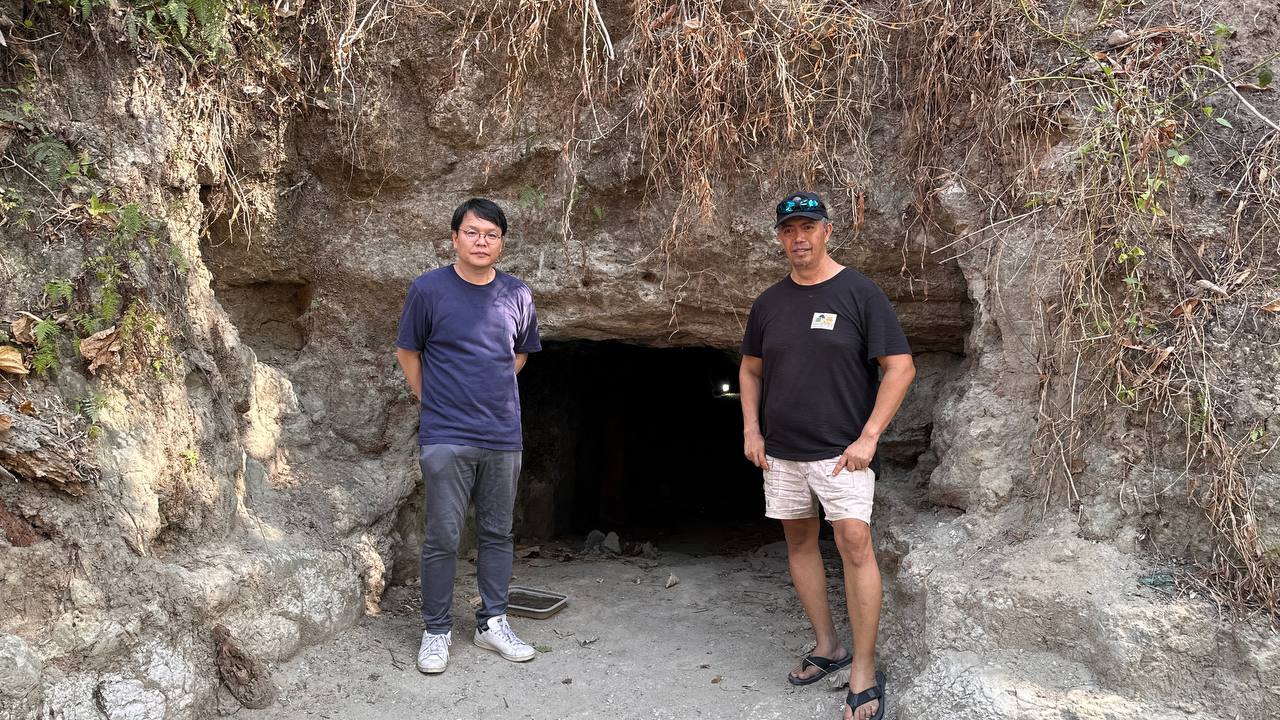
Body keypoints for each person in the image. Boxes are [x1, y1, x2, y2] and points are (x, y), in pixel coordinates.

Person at [739, 192, 915, 720]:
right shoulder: (770, 302)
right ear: (778, 237)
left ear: (827, 231)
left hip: (842, 455)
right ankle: (828, 646)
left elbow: (900, 366)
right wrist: (752, 429)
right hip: (783, 453)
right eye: (789, 229)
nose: (799, 238)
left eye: (808, 227)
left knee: (855, 542)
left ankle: (862, 668)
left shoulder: (859, 293)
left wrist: (869, 438)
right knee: (799, 540)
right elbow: (750, 369)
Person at [394, 197, 542, 674]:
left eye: (492, 235)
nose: (482, 241)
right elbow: (407, 351)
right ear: (455, 237)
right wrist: (432, 399)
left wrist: (489, 388)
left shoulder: (517, 293)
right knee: (443, 534)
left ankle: (491, 623)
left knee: (499, 532)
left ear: (502, 243)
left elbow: (519, 354)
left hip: (502, 433)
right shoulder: (429, 289)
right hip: (447, 432)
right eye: (473, 232)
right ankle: (436, 629)